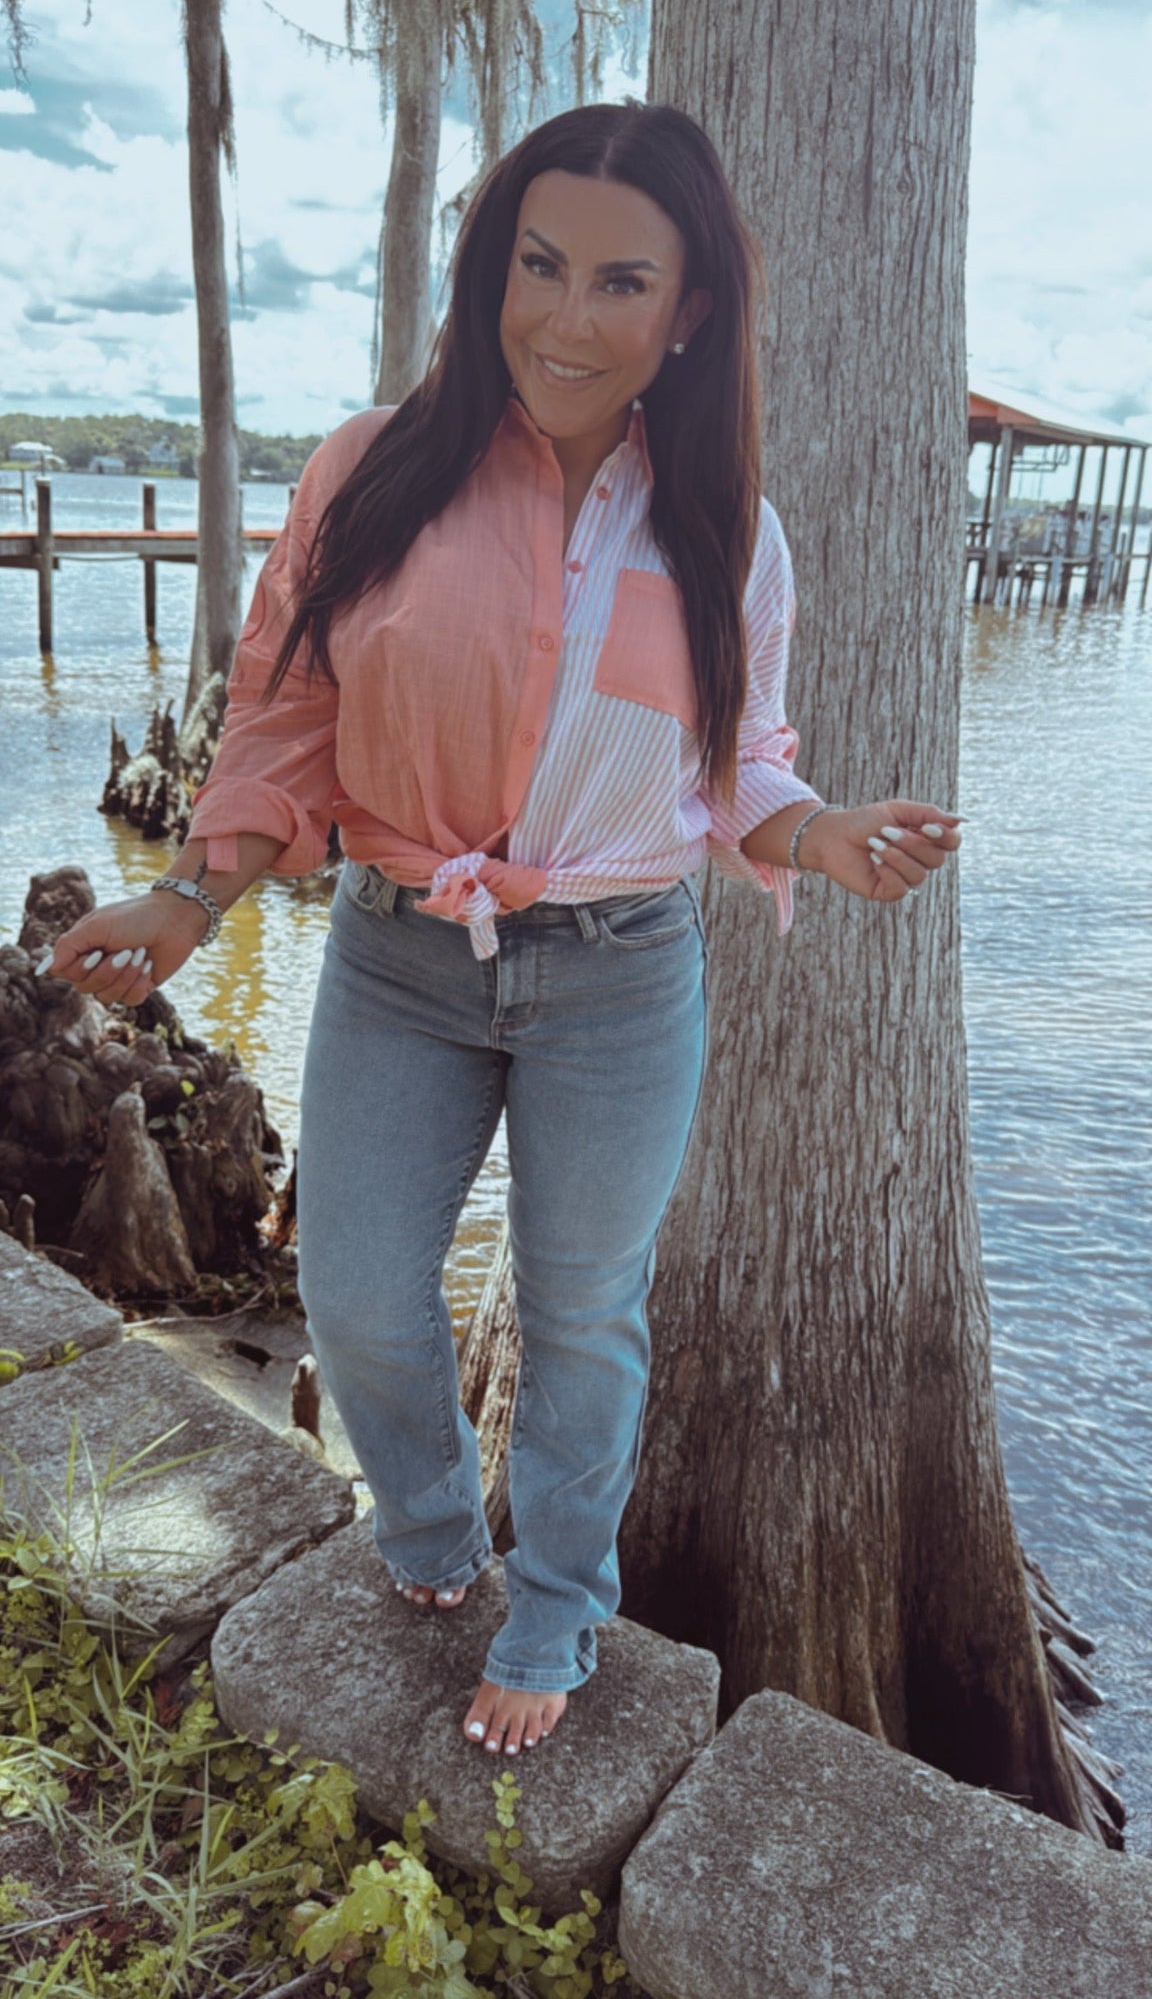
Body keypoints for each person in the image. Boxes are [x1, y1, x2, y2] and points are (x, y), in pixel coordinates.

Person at [40, 99, 963, 1760]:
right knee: (356, 1289)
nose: (566, 317)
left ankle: (556, 1605)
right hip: (397, 952)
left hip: (621, 972)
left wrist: (821, 834)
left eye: (621, 282)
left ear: (688, 313)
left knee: (583, 1308)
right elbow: (286, 710)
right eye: (539, 265)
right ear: (492, 271)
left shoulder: (727, 532)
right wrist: (190, 897)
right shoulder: (371, 470)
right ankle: (429, 1529)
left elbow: (740, 761)